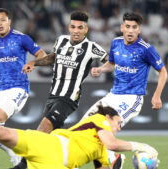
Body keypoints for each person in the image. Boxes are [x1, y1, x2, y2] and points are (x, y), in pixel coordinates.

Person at [0, 102, 158, 169]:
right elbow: (112, 142)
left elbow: (108, 156)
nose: (119, 127)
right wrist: (140, 146)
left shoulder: (101, 151)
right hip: (48, 144)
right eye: (119, 123)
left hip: (56, 165)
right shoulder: (98, 121)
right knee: (0, 132)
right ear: (109, 117)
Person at [13, 10, 109, 169]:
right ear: (69, 27)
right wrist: (34, 63)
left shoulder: (92, 47)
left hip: (69, 98)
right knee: (51, 137)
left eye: (80, 27)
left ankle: (21, 166)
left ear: (86, 29)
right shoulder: (61, 40)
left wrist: (102, 69)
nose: (76, 31)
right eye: (73, 27)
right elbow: (51, 58)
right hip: (53, 96)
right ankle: (70, 163)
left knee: (42, 130)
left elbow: (111, 61)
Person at [82, 12, 168, 163]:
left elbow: (163, 71)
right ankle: (113, 158)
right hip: (112, 95)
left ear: (139, 30)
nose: (130, 30)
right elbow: (112, 63)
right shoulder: (116, 42)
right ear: (122, 27)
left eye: (134, 27)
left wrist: (156, 95)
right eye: (127, 26)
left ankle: (114, 157)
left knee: (106, 130)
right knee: (85, 125)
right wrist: (101, 69)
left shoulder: (146, 49)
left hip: (131, 98)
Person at [0, 8, 46, 169]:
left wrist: (32, 63)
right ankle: (14, 154)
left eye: (3, 20)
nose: (0, 24)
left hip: (18, 88)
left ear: (9, 21)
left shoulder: (21, 38)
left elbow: (41, 54)